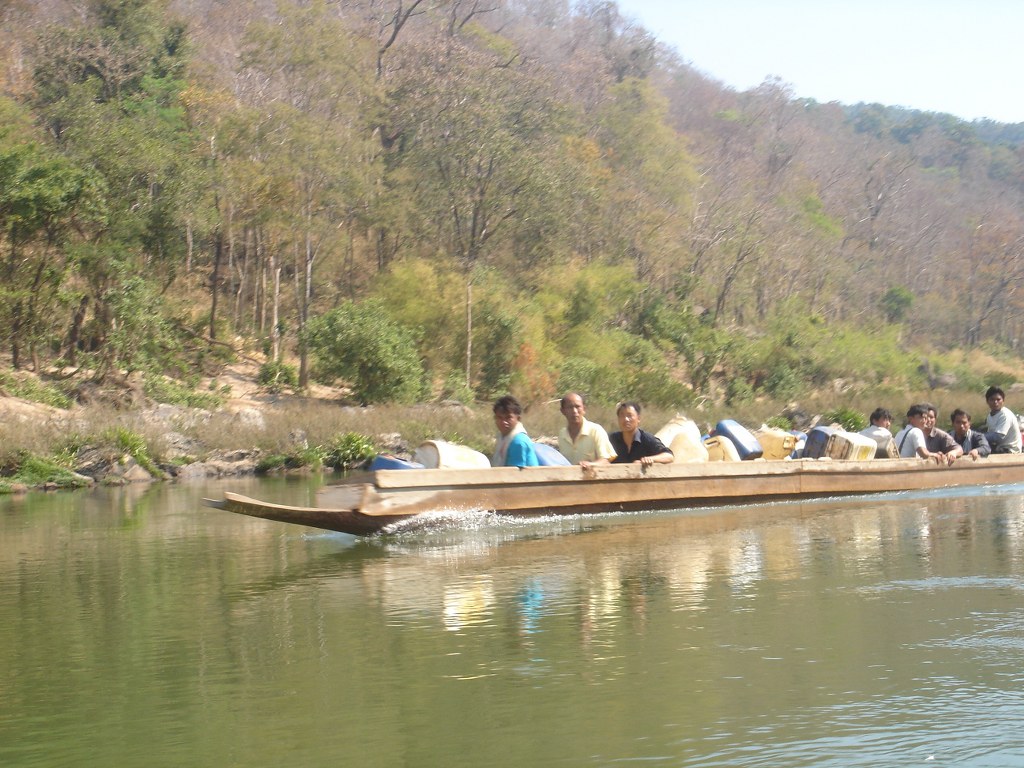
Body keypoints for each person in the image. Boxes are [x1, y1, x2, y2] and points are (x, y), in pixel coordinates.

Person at [557, 392, 616, 467]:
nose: (574, 411)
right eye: (570, 407)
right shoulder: (562, 434)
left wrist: (590, 465)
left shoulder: (596, 431)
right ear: (563, 411)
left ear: (584, 409)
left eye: (577, 407)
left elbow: (606, 460)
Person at [609, 401, 674, 466]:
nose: (626, 419)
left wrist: (650, 459)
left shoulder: (647, 439)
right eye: (622, 416)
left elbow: (669, 456)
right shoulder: (611, 440)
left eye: (629, 416)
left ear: (638, 419)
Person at [491, 395, 539, 467]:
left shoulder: (518, 441)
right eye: (500, 418)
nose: (504, 422)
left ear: (518, 418)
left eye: (508, 418)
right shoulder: (502, 437)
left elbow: (515, 472)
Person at [983, 386, 1022, 454]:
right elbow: (990, 434)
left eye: (998, 399)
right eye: (992, 399)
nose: (995, 402)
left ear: (1003, 401)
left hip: (1011, 450)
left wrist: (978, 436)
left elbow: (998, 437)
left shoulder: (1005, 415)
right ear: (987, 401)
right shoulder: (990, 415)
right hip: (1000, 447)